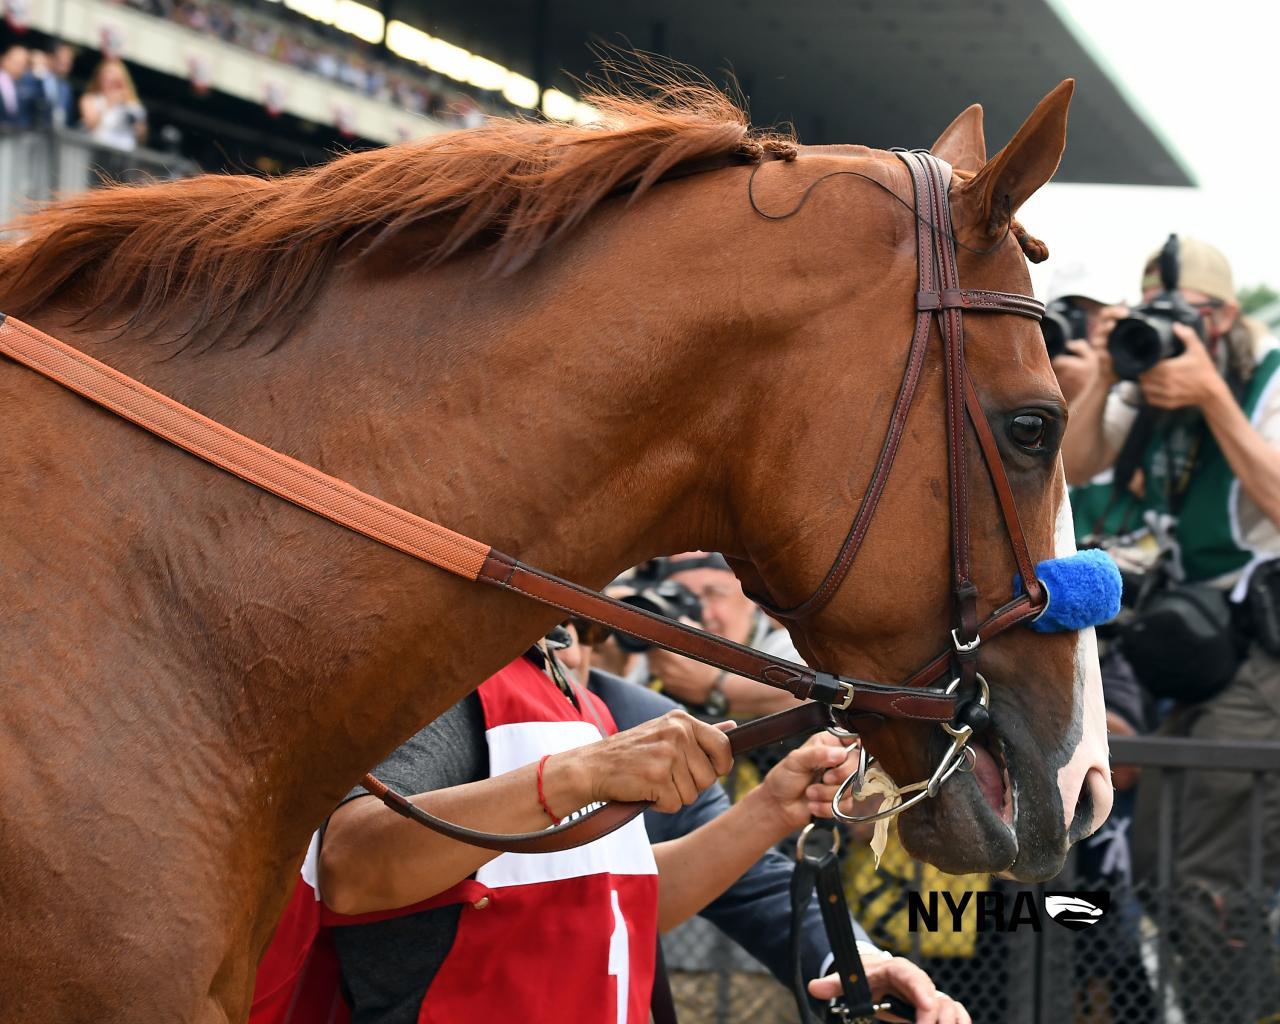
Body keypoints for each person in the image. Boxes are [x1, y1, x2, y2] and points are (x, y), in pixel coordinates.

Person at [253, 646, 969, 1024]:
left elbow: (612, 915)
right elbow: (348, 870)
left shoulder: (581, 697)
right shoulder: (440, 683)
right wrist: (577, 774)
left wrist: (771, 811)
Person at [1059, 237, 1280, 1023]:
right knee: (1153, 863)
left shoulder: (1265, 379)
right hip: (1205, 656)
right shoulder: (1148, 382)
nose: (1168, 331)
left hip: (1267, 652)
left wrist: (1215, 398)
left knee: (1207, 877)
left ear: (1222, 319)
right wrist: (1110, 376)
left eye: (1184, 316)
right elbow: (1077, 463)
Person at [643, 552, 805, 719]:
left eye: (714, 593)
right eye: (682, 596)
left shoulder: (788, 647)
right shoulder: (655, 656)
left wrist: (712, 687)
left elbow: (815, 692)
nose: (703, 613)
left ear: (754, 599)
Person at [79, 58, 147, 151]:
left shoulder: (132, 104)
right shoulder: (90, 99)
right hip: (98, 151)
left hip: (124, 153)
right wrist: (110, 103)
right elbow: (91, 124)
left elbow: (141, 135)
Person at [0, 45, 30, 128]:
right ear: (4, 59)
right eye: (16, 62)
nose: (19, 67)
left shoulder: (22, 86)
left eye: (23, 64)